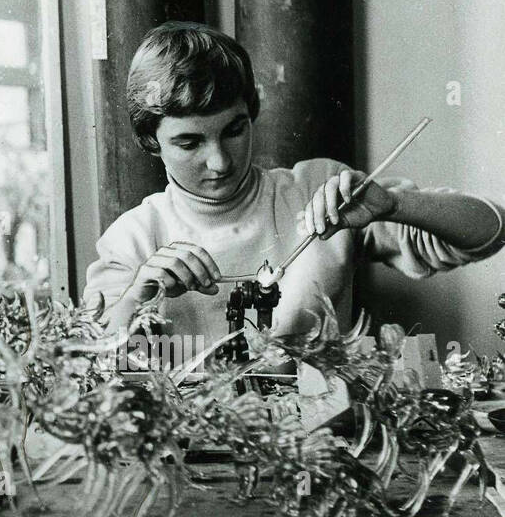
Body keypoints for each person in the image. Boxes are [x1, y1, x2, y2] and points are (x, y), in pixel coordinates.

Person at [86, 22, 504, 409]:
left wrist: (396, 206)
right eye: (189, 143)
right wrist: (137, 297)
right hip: (191, 464)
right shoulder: (132, 239)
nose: (219, 162)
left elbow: (490, 231)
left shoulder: (318, 191)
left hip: (317, 447)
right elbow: (89, 374)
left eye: (234, 130)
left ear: (252, 114)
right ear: (151, 140)